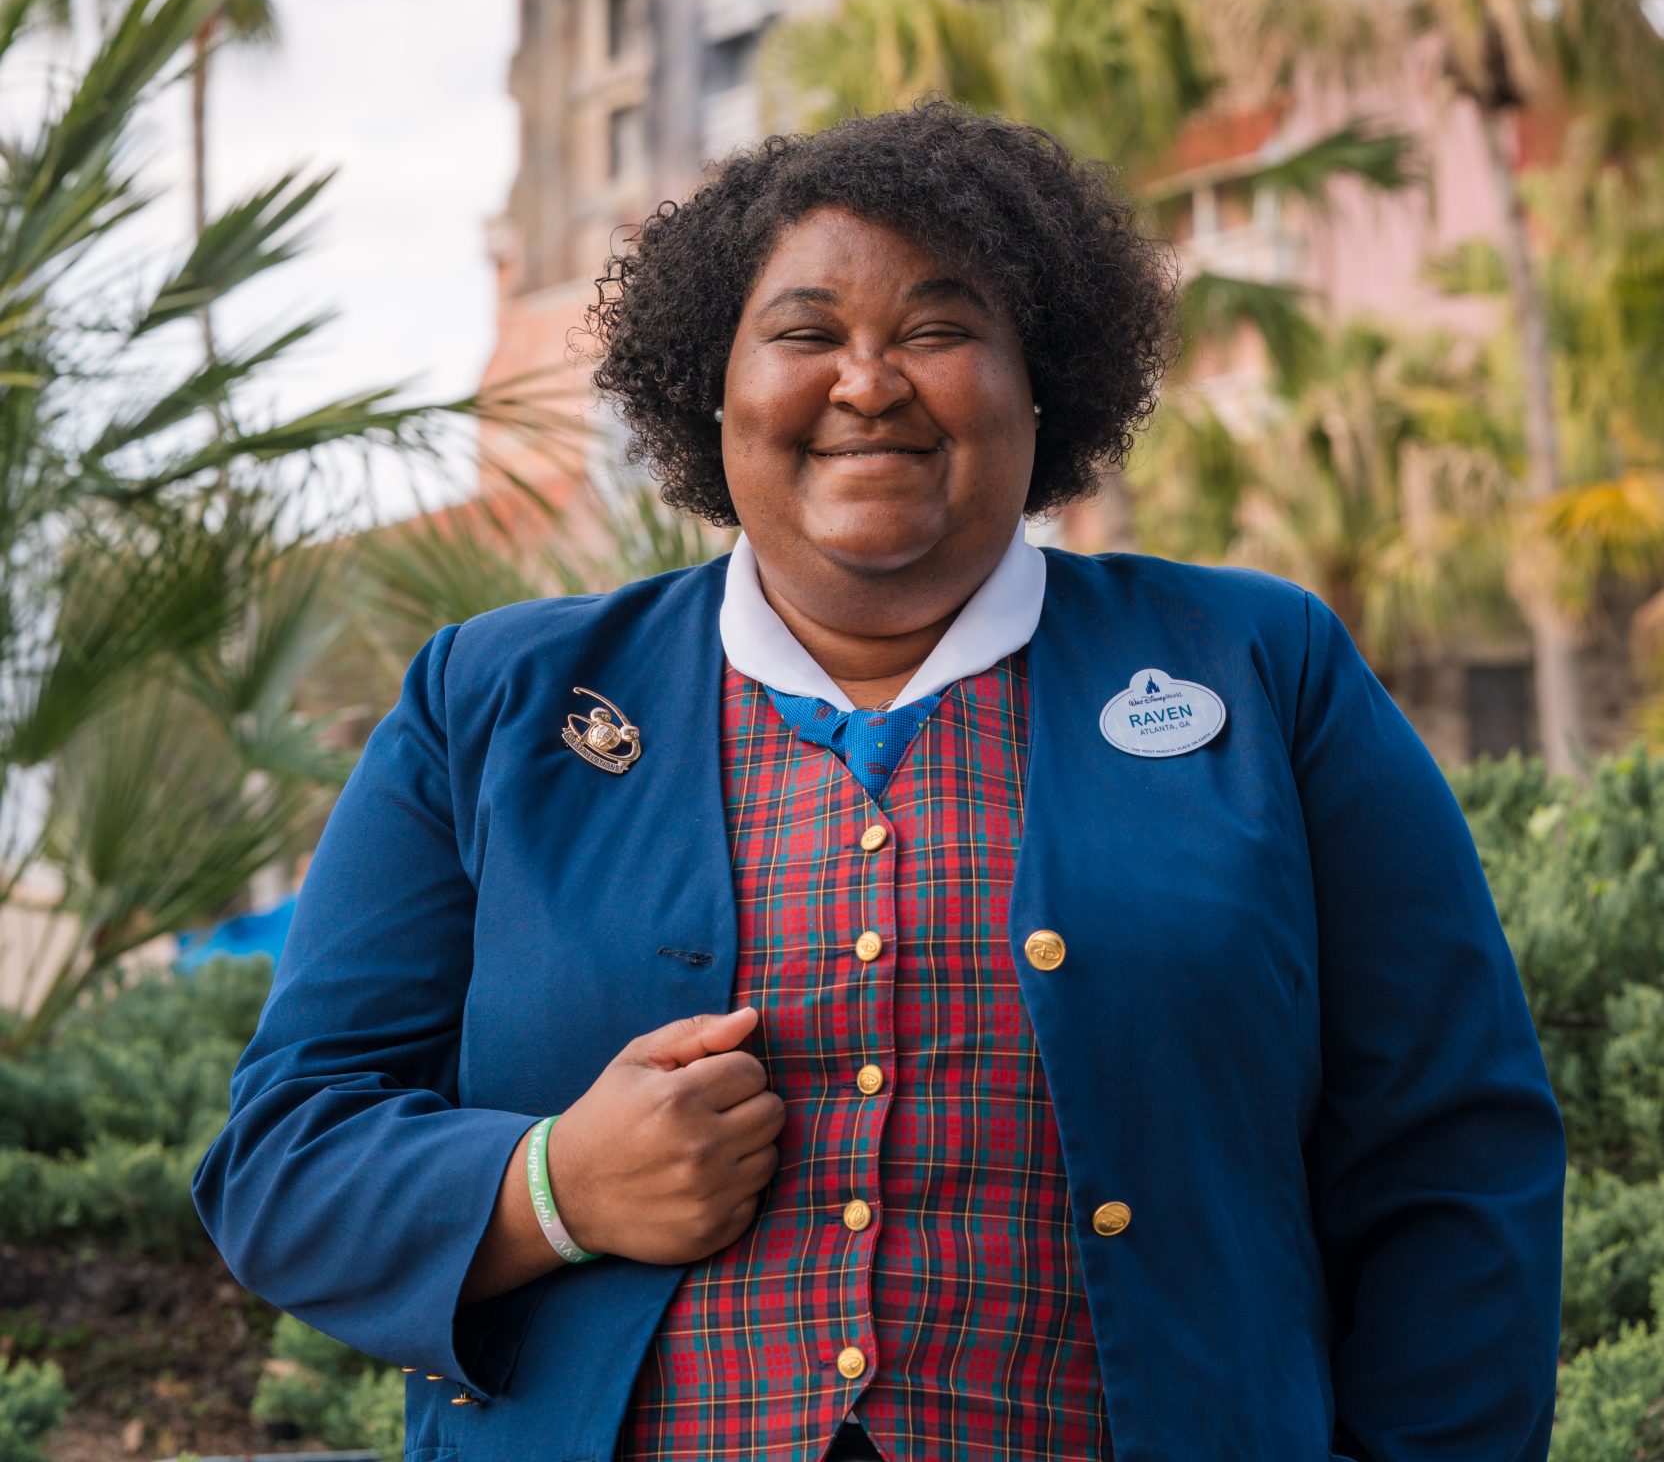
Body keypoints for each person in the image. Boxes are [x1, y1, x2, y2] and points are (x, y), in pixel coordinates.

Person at [194, 102, 1566, 1462]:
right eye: (804, 334)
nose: (869, 380)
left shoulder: (1264, 670)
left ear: (1042, 384)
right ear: (711, 390)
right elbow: (286, 1162)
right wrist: (556, 1190)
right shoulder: (492, 704)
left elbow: (1453, 1154)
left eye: (940, 328)